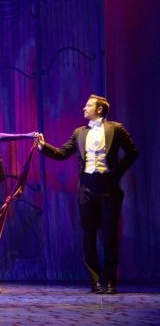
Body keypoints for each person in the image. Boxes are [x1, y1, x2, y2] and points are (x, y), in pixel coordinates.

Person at [37, 94, 138, 295]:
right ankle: (95, 281)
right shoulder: (79, 132)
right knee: (88, 235)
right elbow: (62, 153)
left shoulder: (116, 129)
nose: (84, 108)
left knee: (109, 236)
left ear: (99, 109)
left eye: (88, 105)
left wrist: (116, 173)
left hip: (108, 187)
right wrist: (43, 146)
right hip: (86, 188)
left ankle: (110, 281)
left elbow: (132, 152)